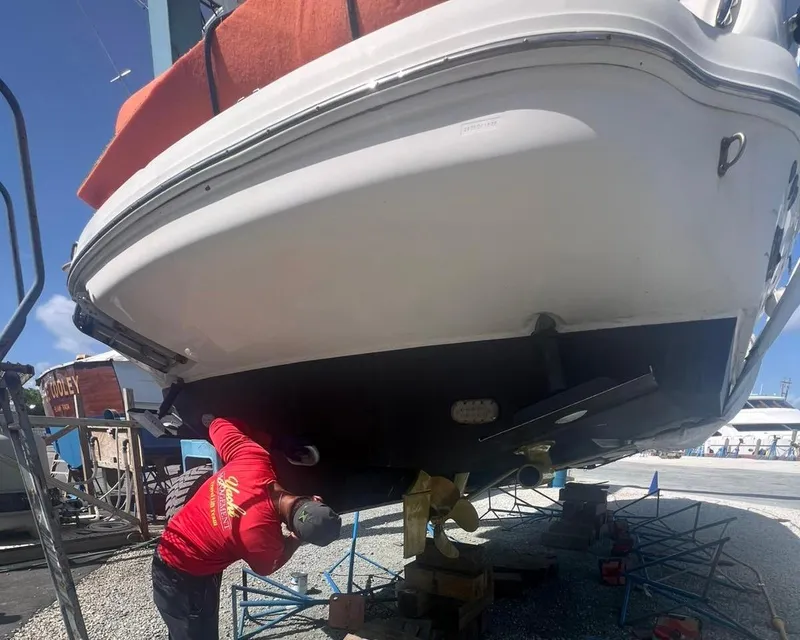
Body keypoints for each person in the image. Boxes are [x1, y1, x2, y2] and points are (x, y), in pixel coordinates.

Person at [152, 416, 341, 640]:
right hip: (181, 578)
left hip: (180, 556)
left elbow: (218, 424)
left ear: (314, 498)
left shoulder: (253, 459)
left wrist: (276, 442)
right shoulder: (262, 539)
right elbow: (268, 566)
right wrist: (295, 539)